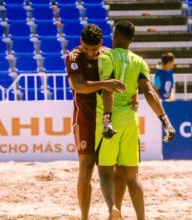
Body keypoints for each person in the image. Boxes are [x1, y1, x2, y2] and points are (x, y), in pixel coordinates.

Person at [96, 20, 176, 220]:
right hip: (131, 121)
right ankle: (141, 217)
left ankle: (112, 208)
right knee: (132, 176)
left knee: (106, 172)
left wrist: (107, 120)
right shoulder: (139, 61)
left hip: (109, 121)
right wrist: (166, 121)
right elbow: (149, 92)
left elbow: (108, 89)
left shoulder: (106, 57)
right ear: (132, 40)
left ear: (114, 37)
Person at [65, 24, 128, 220]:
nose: (91, 54)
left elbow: (120, 84)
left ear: (101, 43)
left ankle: (113, 210)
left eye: (94, 49)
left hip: (107, 116)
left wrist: (131, 97)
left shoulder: (108, 55)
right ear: (81, 43)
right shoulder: (74, 57)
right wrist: (104, 84)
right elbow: (78, 86)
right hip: (84, 118)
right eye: (87, 48)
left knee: (110, 167)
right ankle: (85, 217)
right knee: (86, 167)